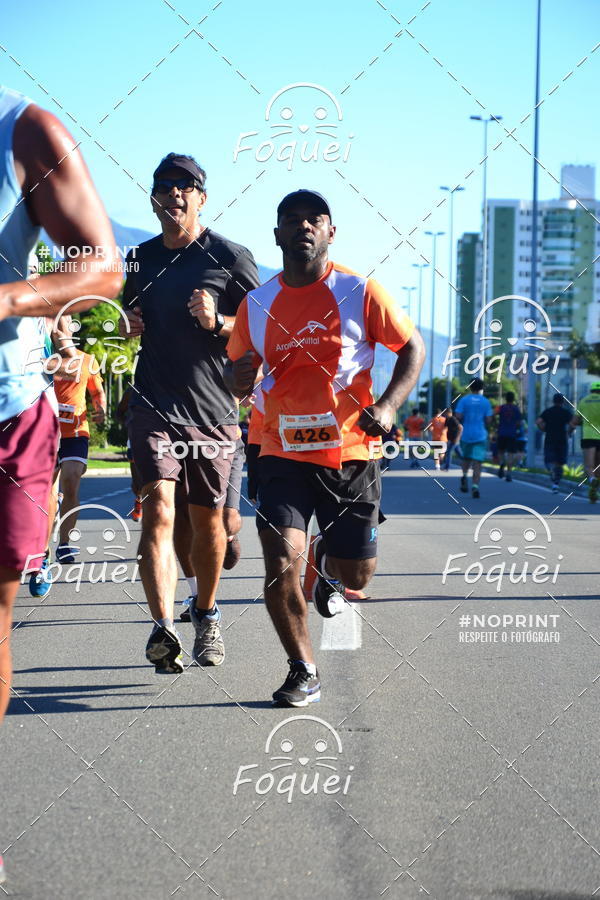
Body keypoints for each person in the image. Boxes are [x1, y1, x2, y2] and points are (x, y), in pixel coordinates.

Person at [225, 189, 425, 706]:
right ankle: (302, 669)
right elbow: (234, 375)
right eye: (291, 220)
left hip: (352, 452)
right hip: (278, 450)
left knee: (358, 571)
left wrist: (388, 406)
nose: (303, 227)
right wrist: (236, 376)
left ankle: (329, 568)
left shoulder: (360, 291)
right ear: (277, 235)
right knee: (279, 566)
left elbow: (412, 347)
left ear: (331, 231)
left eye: (314, 219)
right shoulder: (257, 303)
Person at [0, 85, 120, 741]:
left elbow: (99, 265)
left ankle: (54, 550)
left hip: (13, 416)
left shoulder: (23, 130)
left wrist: (12, 300)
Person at [120, 152, 259, 673]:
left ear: (202, 197)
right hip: (153, 404)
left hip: (214, 411)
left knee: (209, 525)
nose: (174, 193)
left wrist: (219, 322)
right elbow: (124, 320)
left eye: (186, 186)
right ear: (154, 198)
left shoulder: (230, 256)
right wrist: (124, 325)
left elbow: (258, 330)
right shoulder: (138, 258)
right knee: (158, 514)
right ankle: (161, 630)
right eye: (164, 185)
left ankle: (206, 612)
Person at [52, 347, 106, 561]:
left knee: (71, 480)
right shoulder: (40, 357)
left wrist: (100, 407)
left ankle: (64, 543)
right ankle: (41, 549)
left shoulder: (87, 360)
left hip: (75, 432)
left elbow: (97, 392)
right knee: (46, 492)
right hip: (43, 432)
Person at [455, 378, 492, 498]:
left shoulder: (464, 400)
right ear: (481, 388)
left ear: (470, 387)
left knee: (466, 459)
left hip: (466, 434)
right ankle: (475, 486)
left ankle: (464, 475)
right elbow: (488, 419)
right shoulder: (485, 402)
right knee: (478, 462)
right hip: (480, 435)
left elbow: (458, 416)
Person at [536, 393, 573, 493]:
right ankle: (556, 484)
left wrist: (543, 429)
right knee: (560, 463)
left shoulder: (548, 411)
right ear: (563, 401)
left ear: (553, 401)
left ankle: (552, 472)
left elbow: (538, 421)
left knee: (549, 461)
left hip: (550, 439)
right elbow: (572, 423)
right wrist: (569, 432)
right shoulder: (566, 412)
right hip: (562, 440)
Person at [570, 381, 600, 503]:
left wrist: (570, 428)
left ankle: (592, 481)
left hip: (588, 436)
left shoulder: (583, 401)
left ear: (591, 390)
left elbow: (575, 421)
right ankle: (594, 492)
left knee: (589, 466)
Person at [496, 391, 522, 482]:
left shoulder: (501, 408)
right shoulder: (516, 409)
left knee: (500, 451)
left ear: (505, 398)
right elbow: (519, 423)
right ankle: (509, 473)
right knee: (511, 454)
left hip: (501, 432)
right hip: (512, 434)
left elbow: (495, 417)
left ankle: (502, 462)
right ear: (513, 399)